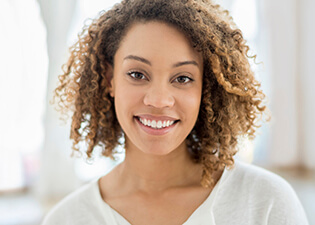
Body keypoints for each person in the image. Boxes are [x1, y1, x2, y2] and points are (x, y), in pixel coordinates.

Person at [42, 0, 309, 224]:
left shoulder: (265, 203)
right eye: (137, 74)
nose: (158, 100)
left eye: (182, 78)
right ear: (110, 79)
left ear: (206, 87)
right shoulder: (67, 219)